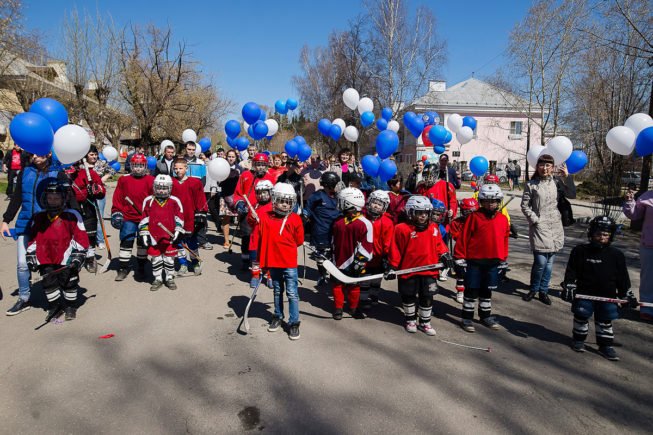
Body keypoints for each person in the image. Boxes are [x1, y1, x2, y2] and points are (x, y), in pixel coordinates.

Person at [2, 153, 77, 315]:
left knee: (54, 264)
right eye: (32, 154)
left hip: (49, 226)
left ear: (48, 153)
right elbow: (17, 198)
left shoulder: (57, 173)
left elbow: (70, 198)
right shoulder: (25, 171)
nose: (35, 157)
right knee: (22, 264)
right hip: (26, 223)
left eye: (38, 153)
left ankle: (60, 298)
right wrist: (6, 220)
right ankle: (24, 298)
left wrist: (77, 220)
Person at [561, 216, 635, 360]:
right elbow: (571, 270)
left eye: (606, 234)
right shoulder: (580, 251)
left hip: (607, 295)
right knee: (581, 318)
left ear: (611, 236)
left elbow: (622, 277)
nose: (601, 237)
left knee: (605, 321)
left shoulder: (616, 255)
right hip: (584, 293)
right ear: (591, 233)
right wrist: (569, 284)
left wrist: (626, 293)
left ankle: (605, 345)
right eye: (598, 234)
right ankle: (578, 340)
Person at [386, 195, 451, 335]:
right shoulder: (401, 229)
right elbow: (395, 249)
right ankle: (410, 320)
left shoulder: (433, 228)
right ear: (410, 213)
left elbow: (439, 245)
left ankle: (425, 322)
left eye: (426, 213)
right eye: (419, 213)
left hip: (429, 271)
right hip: (408, 272)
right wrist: (392, 266)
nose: (423, 216)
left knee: (427, 296)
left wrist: (445, 254)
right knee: (408, 296)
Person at [25, 181, 89, 321]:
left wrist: (79, 254)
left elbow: (81, 236)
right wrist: (30, 254)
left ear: (63, 198)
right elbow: (33, 238)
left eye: (56, 198)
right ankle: (55, 307)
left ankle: (70, 306)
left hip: (66, 257)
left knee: (69, 282)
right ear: (44, 198)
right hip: (45, 256)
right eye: (50, 198)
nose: (53, 201)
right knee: (49, 284)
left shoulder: (71, 215)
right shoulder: (39, 217)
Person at [521, 154, 575, 305]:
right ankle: (534, 288)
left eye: (548, 166)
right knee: (540, 261)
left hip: (555, 224)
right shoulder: (531, 184)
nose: (544, 168)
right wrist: (534, 219)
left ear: (552, 168)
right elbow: (524, 206)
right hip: (539, 225)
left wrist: (568, 177)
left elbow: (572, 194)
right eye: (542, 165)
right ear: (537, 167)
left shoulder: (557, 182)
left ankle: (543, 291)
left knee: (550, 261)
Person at [455, 184, 509, 332]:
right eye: (486, 201)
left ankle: (485, 316)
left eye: (494, 201)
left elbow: (505, 240)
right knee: (471, 290)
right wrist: (459, 258)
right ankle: (467, 317)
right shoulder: (474, 217)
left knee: (487, 291)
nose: (490, 204)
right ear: (481, 201)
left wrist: (503, 259)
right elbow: (463, 238)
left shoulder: (503, 220)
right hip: (475, 261)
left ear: (499, 202)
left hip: (493, 262)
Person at [256, 182, 305, 340]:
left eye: (288, 202)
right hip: (273, 262)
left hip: (289, 262)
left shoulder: (295, 219)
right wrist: (261, 262)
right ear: (274, 200)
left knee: (292, 293)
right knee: (277, 291)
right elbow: (261, 239)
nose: (284, 205)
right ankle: (278, 315)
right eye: (281, 201)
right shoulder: (265, 217)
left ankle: (294, 322)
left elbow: (299, 240)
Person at [111, 153, 154, 281]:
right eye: (136, 166)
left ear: (145, 166)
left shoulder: (151, 180)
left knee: (143, 244)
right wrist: (116, 212)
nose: (138, 168)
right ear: (131, 166)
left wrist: (154, 215)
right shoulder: (124, 180)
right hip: (128, 217)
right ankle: (123, 268)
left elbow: (154, 200)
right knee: (126, 241)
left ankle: (141, 267)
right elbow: (118, 198)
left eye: (141, 166)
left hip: (145, 218)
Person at [330, 187, 372, 320]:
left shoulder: (365, 224)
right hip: (338, 259)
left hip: (355, 261)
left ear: (349, 204)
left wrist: (361, 260)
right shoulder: (338, 221)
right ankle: (338, 308)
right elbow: (332, 240)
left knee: (354, 286)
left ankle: (353, 307)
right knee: (337, 285)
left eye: (342, 201)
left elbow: (368, 244)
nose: (339, 203)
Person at [139, 175, 184, 291]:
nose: (161, 190)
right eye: (159, 187)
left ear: (170, 188)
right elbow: (144, 219)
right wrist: (144, 234)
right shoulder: (148, 201)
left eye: (164, 188)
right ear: (154, 187)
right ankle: (158, 278)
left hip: (170, 236)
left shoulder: (174, 201)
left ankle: (169, 277)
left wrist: (178, 231)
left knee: (169, 258)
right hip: (154, 236)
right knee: (156, 258)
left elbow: (179, 217)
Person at [233, 153, 275, 269]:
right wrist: (240, 204)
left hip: (265, 213)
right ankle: (246, 259)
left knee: (264, 238)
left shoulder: (270, 178)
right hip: (248, 213)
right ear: (254, 164)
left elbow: (274, 197)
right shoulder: (245, 175)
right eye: (258, 164)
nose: (260, 167)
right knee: (247, 237)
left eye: (263, 165)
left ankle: (264, 262)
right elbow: (238, 193)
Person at [68, 156, 106, 273]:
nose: (73, 165)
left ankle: (90, 258)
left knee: (90, 233)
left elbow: (101, 190)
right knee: (70, 234)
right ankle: (71, 258)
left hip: (86, 206)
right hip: (68, 207)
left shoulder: (89, 173)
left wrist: (97, 189)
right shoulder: (61, 174)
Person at [171, 158, 208, 276]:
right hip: (176, 218)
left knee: (192, 241)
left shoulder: (195, 182)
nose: (178, 170)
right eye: (175, 168)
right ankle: (183, 264)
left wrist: (201, 214)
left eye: (180, 168)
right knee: (179, 242)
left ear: (186, 168)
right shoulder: (171, 182)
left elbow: (200, 199)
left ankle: (195, 262)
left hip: (190, 216)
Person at [304, 171, 341, 285]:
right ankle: (322, 275)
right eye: (336, 184)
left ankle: (334, 275)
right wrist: (304, 216)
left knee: (334, 255)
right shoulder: (317, 196)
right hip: (321, 231)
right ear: (329, 184)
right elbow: (307, 210)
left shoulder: (338, 197)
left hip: (335, 231)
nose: (338, 186)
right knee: (321, 256)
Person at [623, 185, 653, 321]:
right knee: (648, 278)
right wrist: (630, 201)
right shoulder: (648, 196)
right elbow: (634, 215)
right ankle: (647, 308)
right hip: (649, 244)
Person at [360, 190, 394, 309]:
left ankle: (373, 296)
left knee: (376, 279)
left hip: (378, 257)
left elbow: (388, 242)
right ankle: (363, 299)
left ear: (384, 207)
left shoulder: (387, 222)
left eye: (380, 204)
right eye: (374, 202)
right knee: (364, 279)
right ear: (369, 202)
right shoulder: (362, 218)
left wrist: (387, 257)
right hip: (363, 255)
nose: (376, 206)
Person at [450, 198, 479, 304]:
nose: (471, 214)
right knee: (461, 274)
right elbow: (456, 236)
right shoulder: (456, 223)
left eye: (473, 212)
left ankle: (471, 291)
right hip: (461, 252)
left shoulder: (479, 222)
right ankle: (460, 292)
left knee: (473, 274)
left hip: (475, 252)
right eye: (468, 212)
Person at [247, 180, 273, 288]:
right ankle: (255, 275)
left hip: (269, 237)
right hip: (256, 237)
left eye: (264, 192)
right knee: (255, 258)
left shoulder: (274, 206)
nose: (262, 195)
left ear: (270, 192)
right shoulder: (254, 206)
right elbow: (249, 221)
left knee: (270, 257)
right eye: (259, 192)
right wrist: (252, 217)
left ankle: (270, 276)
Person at [474, 174, 518, 238]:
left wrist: (508, 226)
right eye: (489, 182)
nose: (491, 185)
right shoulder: (478, 194)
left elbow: (504, 214)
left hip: (495, 227)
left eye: (494, 183)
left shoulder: (497, 196)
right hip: (480, 225)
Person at [91, 147, 117, 250]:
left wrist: (106, 177)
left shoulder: (101, 163)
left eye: (95, 154)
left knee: (99, 217)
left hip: (99, 193)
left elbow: (113, 170)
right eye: (91, 154)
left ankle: (100, 240)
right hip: (85, 193)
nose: (94, 156)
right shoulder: (81, 164)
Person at [218, 149, 240, 249]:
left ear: (236, 158)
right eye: (229, 156)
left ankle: (243, 241)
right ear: (226, 157)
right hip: (225, 195)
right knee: (226, 218)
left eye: (233, 157)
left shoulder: (240, 168)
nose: (231, 158)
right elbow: (218, 181)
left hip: (237, 197)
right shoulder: (222, 167)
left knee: (240, 218)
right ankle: (226, 241)